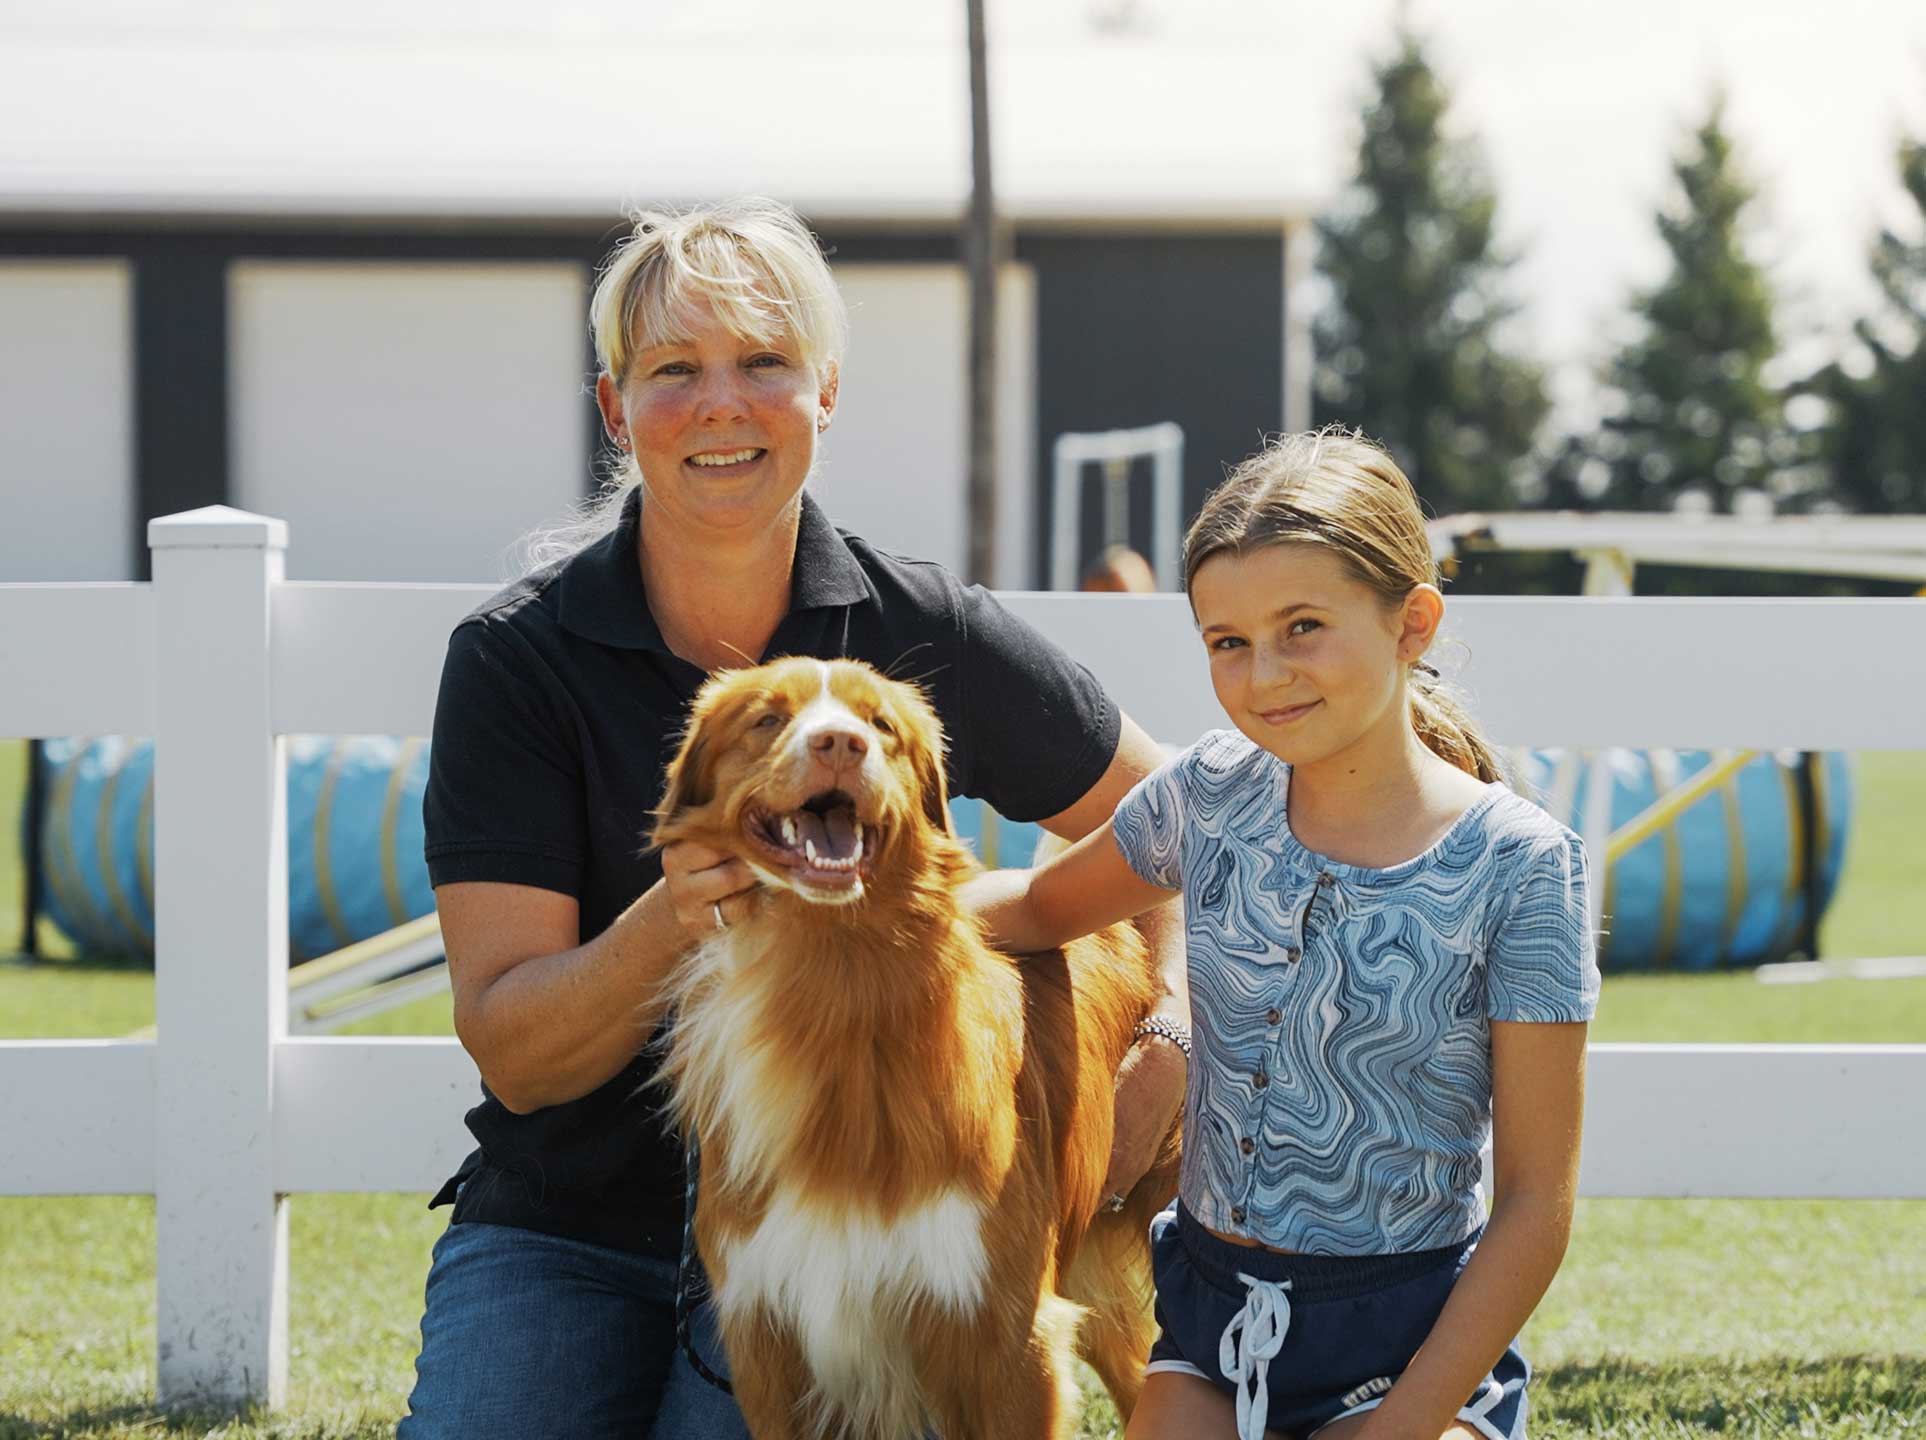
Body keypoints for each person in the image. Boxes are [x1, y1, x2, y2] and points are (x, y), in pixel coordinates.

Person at [396, 197, 1189, 1439]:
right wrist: (680, 910)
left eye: (764, 362)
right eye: (674, 371)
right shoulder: (516, 661)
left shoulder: (921, 630)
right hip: (572, 1219)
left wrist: (1172, 1027)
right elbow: (513, 1047)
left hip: (861, 1202)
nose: (722, 403)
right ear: (616, 409)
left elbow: (1177, 819)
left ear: (824, 393)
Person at [966, 429, 1598, 1440]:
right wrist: (840, 918)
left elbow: (1535, 1208)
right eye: (1227, 641)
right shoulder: (1207, 795)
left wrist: (1402, 1426)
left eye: (1304, 626)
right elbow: (1041, 911)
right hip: (1213, 1331)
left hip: (1412, 1347)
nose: (1265, 676)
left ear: (1413, 623)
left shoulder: (1521, 865)